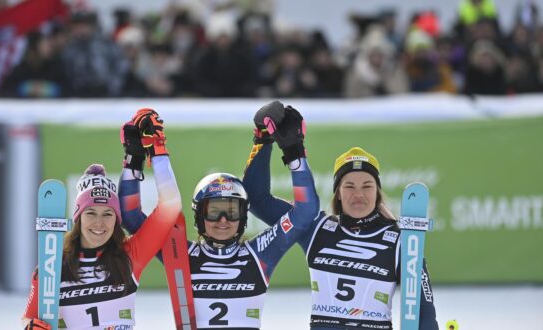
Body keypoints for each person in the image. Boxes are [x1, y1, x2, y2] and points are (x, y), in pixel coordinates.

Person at [244, 101, 438, 329]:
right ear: (337, 194)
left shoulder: (401, 241)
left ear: (377, 193)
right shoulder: (315, 227)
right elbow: (257, 200)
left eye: (367, 186)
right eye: (349, 186)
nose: (358, 194)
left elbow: (423, 308)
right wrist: (263, 139)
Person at [119, 106, 319, 329]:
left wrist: (294, 151)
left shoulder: (260, 252)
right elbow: (131, 218)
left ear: (243, 217)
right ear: (199, 216)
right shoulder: (178, 252)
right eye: (213, 212)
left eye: (231, 211)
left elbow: (305, 212)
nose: (223, 220)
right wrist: (133, 159)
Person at [22, 108, 181, 329]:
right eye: (91, 213)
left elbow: (170, 206)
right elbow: (29, 319)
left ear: (117, 219)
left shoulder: (129, 256)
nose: (99, 223)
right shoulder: (52, 266)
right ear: (78, 218)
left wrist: (157, 152)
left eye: (108, 214)